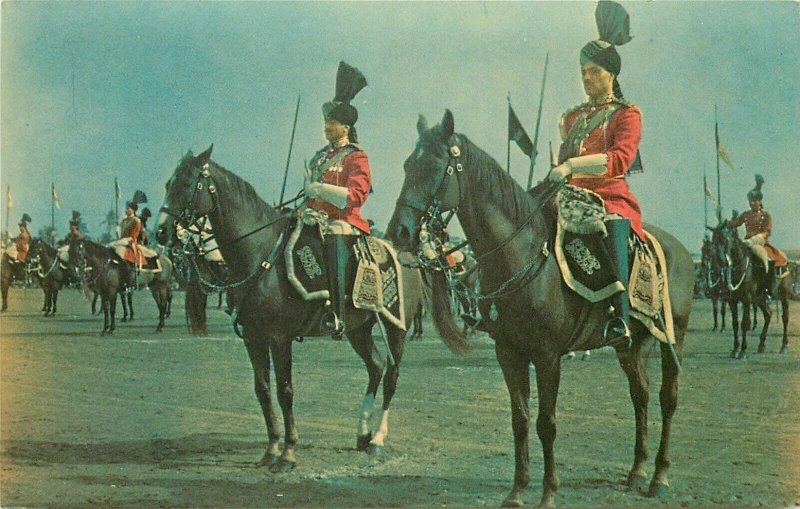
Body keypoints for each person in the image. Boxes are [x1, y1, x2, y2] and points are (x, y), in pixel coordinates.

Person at [547, 0, 641, 348]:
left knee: (613, 222)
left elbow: (619, 159)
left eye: (594, 72)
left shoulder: (627, 115)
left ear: (611, 74)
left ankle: (620, 315)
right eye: (583, 71)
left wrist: (572, 166)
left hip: (609, 195)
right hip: (570, 194)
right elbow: (560, 160)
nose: (587, 78)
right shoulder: (571, 118)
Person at [304, 61, 371, 339]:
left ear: (345, 127)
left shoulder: (356, 156)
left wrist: (319, 189)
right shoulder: (319, 157)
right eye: (325, 122)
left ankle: (337, 314)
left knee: (333, 236)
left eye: (331, 122)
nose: (326, 127)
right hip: (315, 219)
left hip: (344, 222)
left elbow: (355, 197)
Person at [728, 174, 788, 298]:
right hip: (747, 243)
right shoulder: (745, 215)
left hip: (761, 243)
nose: (752, 203)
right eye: (750, 201)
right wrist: (727, 222)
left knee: (768, 261)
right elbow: (734, 223)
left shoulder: (766, 216)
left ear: (760, 201)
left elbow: (767, 231)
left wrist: (755, 239)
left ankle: (767, 289)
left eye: (755, 201)